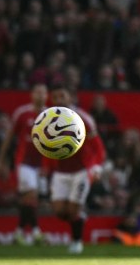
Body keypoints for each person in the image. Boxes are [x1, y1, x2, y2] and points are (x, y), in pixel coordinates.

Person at [44, 85, 107, 254]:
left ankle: (76, 242)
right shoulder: (46, 120)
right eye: (55, 97)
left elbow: (99, 148)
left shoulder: (83, 119)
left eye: (62, 96)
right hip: (60, 172)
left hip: (81, 171)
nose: (59, 100)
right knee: (59, 212)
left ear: (70, 98)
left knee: (73, 211)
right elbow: (45, 147)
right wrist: (46, 166)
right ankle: (80, 218)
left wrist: (96, 168)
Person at [0, 83, 49, 245]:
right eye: (37, 92)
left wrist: (50, 165)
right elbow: (9, 137)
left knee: (30, 200)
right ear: (31, 95)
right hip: (24, 162)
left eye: (43, 93)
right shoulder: (22, 113)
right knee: (31, 195)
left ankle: (18, 233)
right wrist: (1, 160)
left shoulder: (51, 116)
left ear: (47, 96)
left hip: (41, 164)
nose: (40, 96)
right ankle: (36, 233)